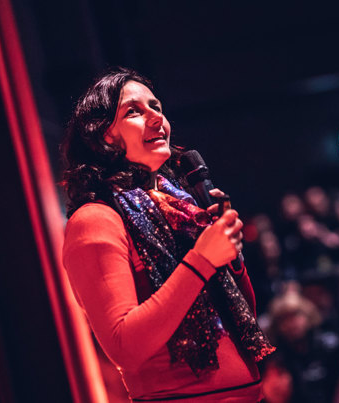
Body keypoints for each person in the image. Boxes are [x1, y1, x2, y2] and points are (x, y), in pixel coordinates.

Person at [61, 67, 274, 402]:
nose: (155, 117)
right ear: (103, 135)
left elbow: (242, 312)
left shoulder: (181, 207)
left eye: (156, 107)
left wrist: (231, 256)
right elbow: (124, 347)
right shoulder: (95, 220)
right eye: (133, 111)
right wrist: (202, 259)